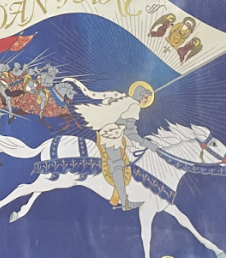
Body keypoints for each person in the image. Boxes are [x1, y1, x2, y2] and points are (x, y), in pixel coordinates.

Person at [68, 80, 159, 212]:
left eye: (148, 98)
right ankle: (124, 202)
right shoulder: (134, 106)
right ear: (140, 95)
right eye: (145, 97)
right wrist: (148, 144)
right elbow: (130, 132)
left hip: (112, 133)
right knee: (118, 165)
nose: (146, 100)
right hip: (112, 136)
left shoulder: (125, 100)